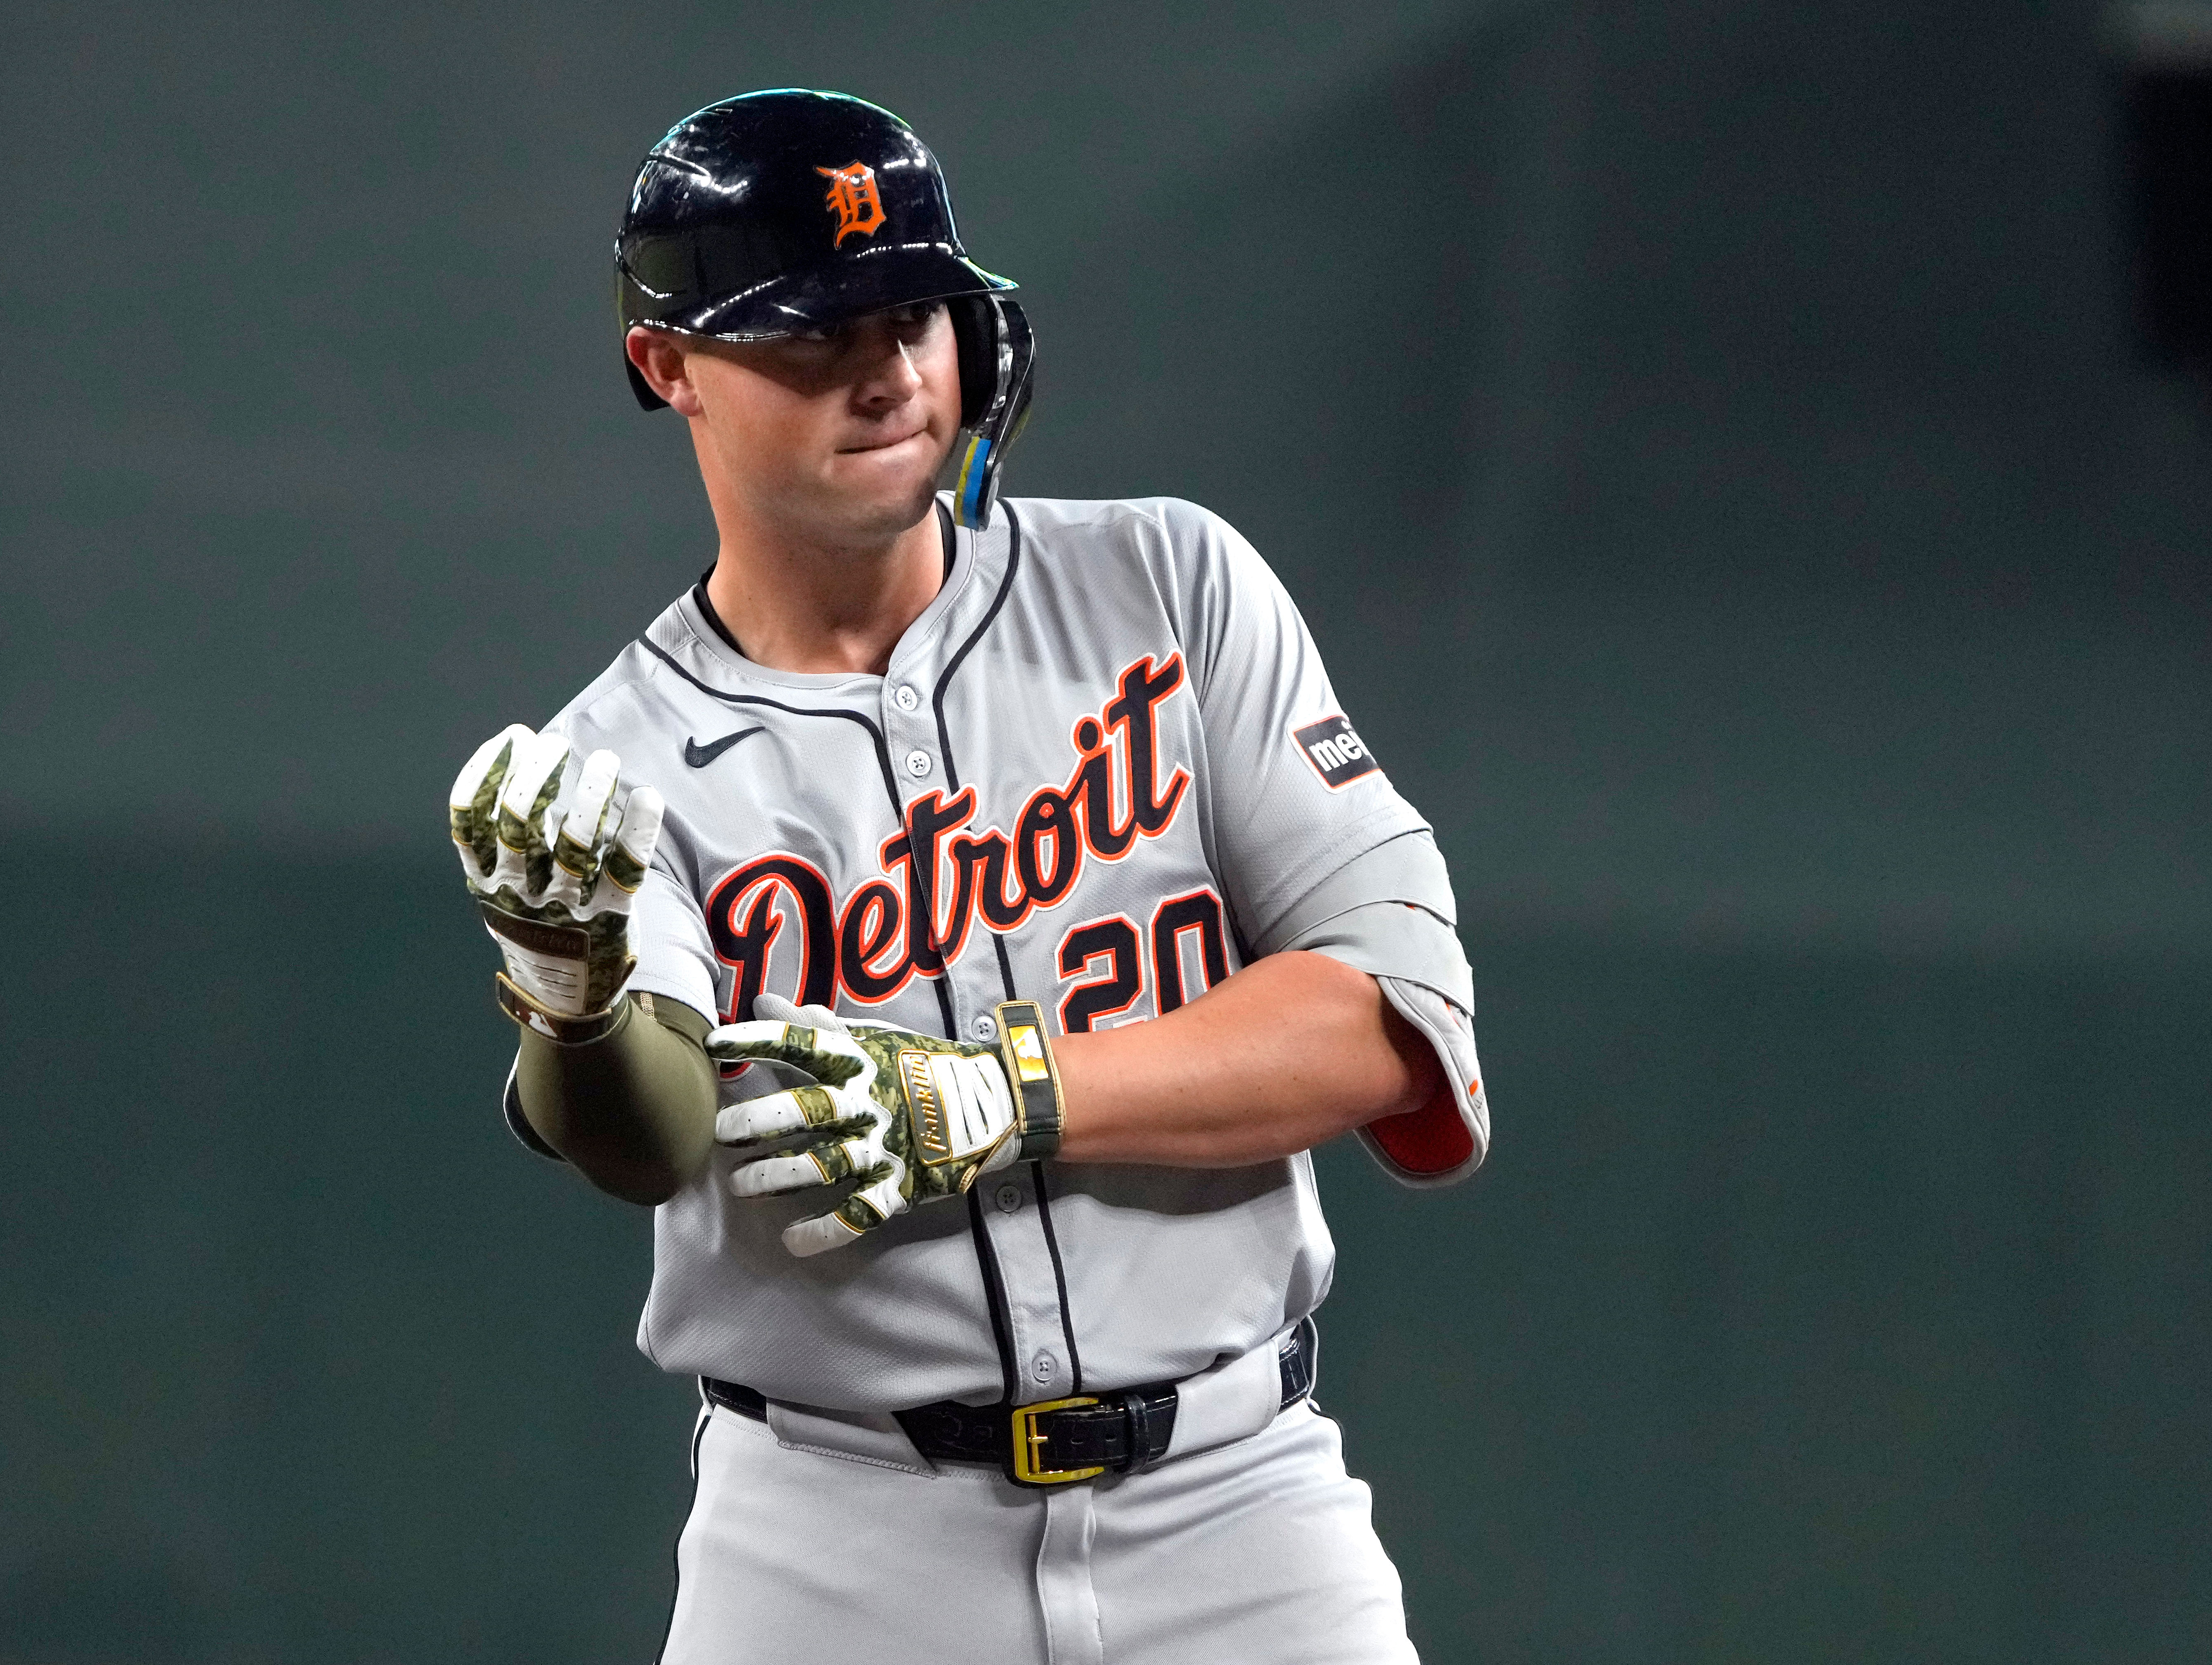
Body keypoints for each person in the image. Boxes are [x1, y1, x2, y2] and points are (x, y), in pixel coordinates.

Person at [447, 88, 1490, 1665]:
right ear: (667, 369)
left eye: (912, 312)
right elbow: (646, 1140)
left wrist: (995, 1093)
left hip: (1235, 1506)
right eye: (810, 331)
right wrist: (573, 1003)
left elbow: (1389, 1014)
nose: (884, 367)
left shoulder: (1168, 582)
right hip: (833, 1540)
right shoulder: (627, 757)